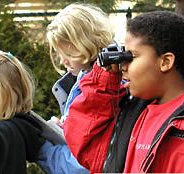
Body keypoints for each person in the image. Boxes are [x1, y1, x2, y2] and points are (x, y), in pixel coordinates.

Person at [64, 11, 184, 173]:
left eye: (132, 56)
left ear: (166, 61)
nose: (123, 66)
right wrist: (106, 80)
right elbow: (88, 147)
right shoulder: (132, 111)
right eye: (123, 55)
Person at [37, 3, 114, 174]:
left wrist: (42, 150)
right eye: (59, 54)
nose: (62, 61)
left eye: (69, 54)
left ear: (87, 45)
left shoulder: (102, 88)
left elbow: (85, 163)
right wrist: (66, 128)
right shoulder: (85, 78)